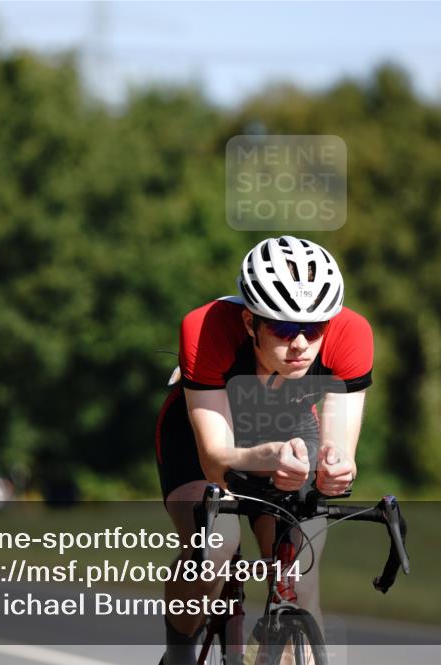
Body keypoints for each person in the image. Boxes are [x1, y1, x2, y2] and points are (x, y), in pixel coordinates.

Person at [155, 237, 373, 665]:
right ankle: (178, 655)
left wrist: (336, 467)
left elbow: (339, 448)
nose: (301, 345)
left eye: (313, 330)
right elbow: (215, 457)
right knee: (215, 549)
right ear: (250, 322)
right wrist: (266, 457)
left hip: (290, 431)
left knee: (299, 576)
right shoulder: (206, 329)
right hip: (202, 434)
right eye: (284, 329)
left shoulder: (352, 334)